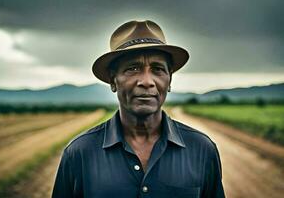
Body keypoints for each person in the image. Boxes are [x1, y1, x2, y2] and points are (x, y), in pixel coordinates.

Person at [52, 20, 225, 198]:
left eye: (157, 69)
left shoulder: (202, 149)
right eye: (133, 68)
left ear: (169, 80)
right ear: (113, 81)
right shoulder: (80, 154)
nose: (147, 82)